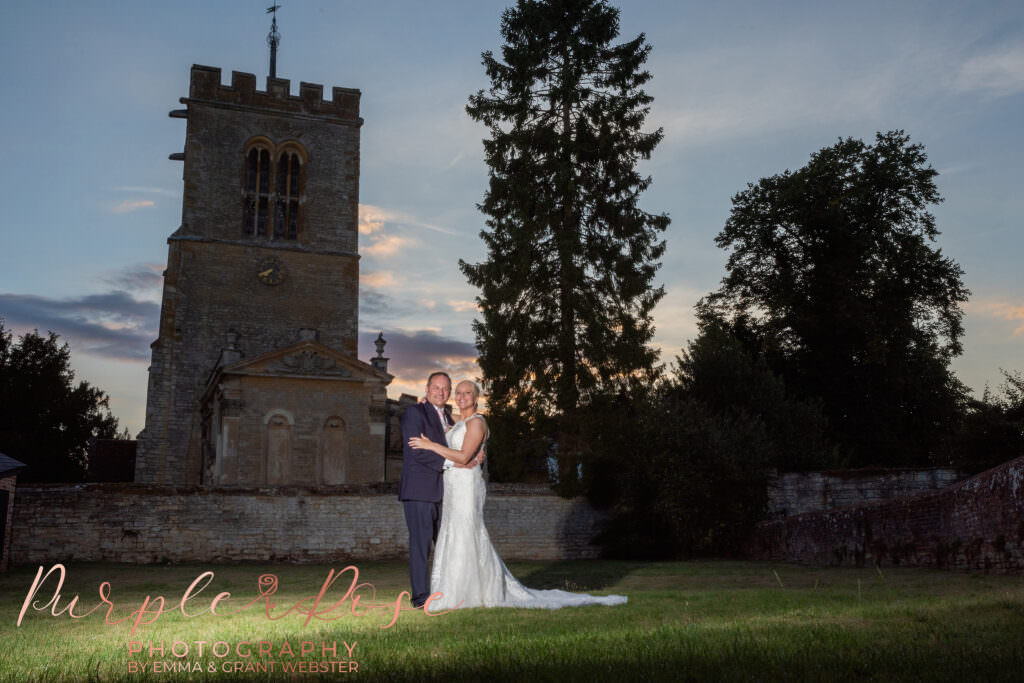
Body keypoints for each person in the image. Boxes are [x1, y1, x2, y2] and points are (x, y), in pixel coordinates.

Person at [409, 380, 627, 611]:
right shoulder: (457, 422)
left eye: (467, 393)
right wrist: (426, 405)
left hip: (465, 485)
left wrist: (431, 445)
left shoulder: (477, 422)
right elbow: (447, 432)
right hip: (452, 485)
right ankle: (456, 588)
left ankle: (468, 592)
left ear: (476, 397)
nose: (462, 396)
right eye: (459, 392)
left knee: (466, 530)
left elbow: (463, 457)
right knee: (454, 531)